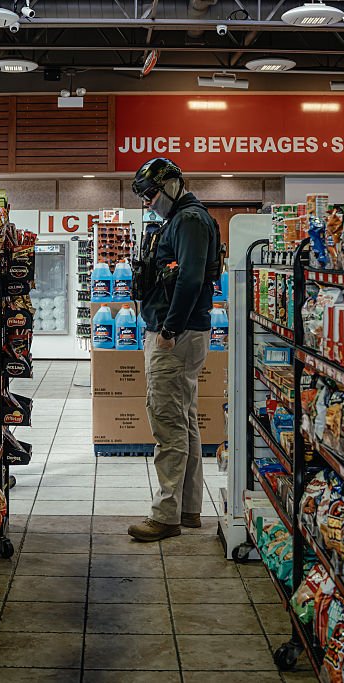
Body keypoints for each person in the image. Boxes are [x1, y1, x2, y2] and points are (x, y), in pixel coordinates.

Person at [127, 157, 221, 542]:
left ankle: (166, 516)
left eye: (151, 193)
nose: (149, 201)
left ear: (172, 184)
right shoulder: (181, 219)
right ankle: (188, 509)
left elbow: (190, 278)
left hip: (176, 336)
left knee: (168, 423)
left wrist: (168, 328)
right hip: (181, 333)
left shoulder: (190, 220)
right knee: (184, 421)